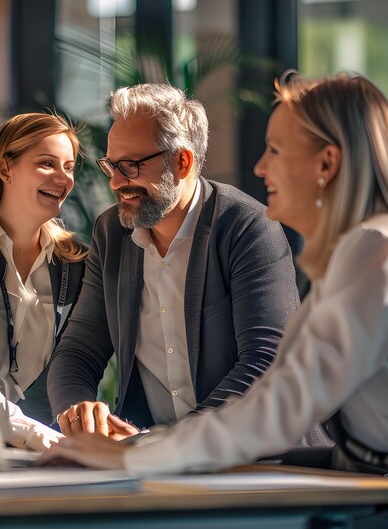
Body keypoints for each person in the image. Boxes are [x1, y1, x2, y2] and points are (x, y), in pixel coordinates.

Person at [39, 73, 388, 476]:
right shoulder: (366, 248)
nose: (261, 168)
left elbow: (279, 401)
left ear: (327, 163)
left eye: (275, 150)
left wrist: (138, 452)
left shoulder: (377, 248)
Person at [47, 82, 301, 436]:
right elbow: (78, 351)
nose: (116, 183)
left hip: (256, 458)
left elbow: (265, 362)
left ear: (182, 162)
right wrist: (79, 414)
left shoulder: (247, 228)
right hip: (152, 460)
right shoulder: (112, 233)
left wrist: (169, 443)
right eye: (111, 166)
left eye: (131, 166)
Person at [0, 113, 87, 425]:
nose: (63, 179)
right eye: (47, 163)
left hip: (39, 455)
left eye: (69, 167)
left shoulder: (77, 266)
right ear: (6, 167)